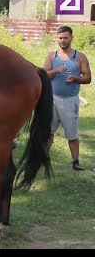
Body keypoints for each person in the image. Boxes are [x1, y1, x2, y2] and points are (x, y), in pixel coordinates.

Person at [43, 25, 91, 171]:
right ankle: (42, 159)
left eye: (65, 38)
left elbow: (88, 78)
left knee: (72, 134)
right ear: (56, 38)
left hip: (70, 100)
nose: (63, 40)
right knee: (48, 132)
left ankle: (75, 162)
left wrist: (75, 79)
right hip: (52, 99)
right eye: (60, 38)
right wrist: (56, 71)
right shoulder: (52, 56)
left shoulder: (80, 56)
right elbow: (43, 75)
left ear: (71, 38)